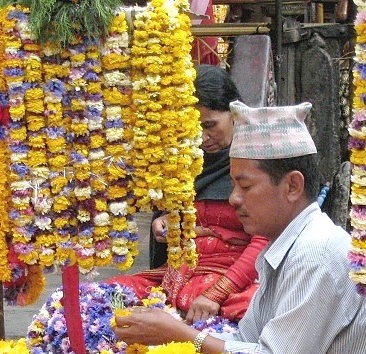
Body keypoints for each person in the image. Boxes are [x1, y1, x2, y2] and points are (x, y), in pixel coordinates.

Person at [114, 101, 366, 354]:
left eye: (245, 186)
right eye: (233, 185)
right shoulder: (283, 246)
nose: (233, 199)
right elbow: (248, 344)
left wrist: (182, 335)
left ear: (292, 186)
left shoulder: (317, 252)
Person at [110, 65, 267, 323]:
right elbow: (177, 221)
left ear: (235, 114)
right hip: (179, 273)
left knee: (252, 308)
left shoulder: (256, 161)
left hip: (238, 276)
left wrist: (219, 291)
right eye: (193, 128)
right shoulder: (183, 162)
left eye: (210, 125)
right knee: (104, 296)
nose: (202, 138)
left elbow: (264, 241)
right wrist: (167, 224)